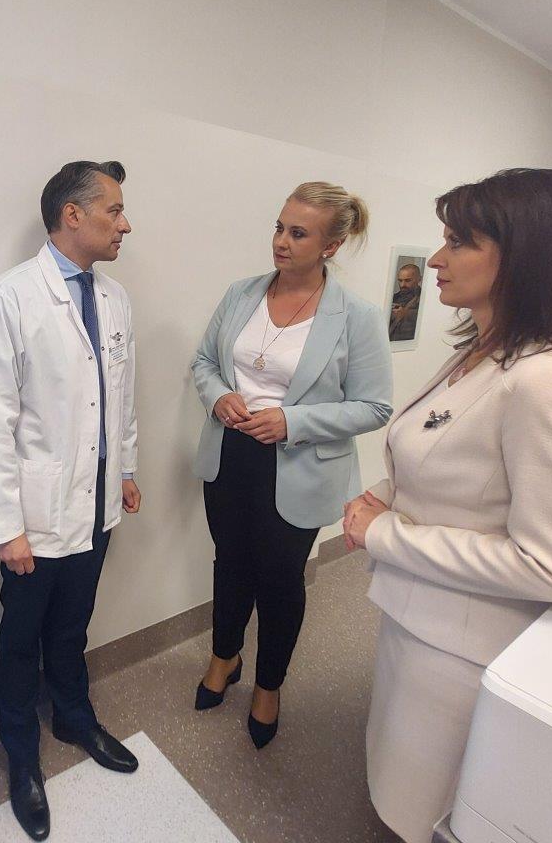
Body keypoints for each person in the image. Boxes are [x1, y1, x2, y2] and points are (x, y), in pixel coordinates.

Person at [342, 168, 552, 843]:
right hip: (421, 617)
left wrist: (385, 533)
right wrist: (386, 493)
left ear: (528, 255)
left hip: (466, 652)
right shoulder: (486, 351)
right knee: (397, 785)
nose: (435, 260)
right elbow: (455, 459)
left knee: (429, 808)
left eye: (459, 242)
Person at [0, 160, 141, 841]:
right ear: (73, 214)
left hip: (96, 504)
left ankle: (73, 716)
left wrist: (125, 468)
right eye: (113, 210)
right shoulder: (10, 297)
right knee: (21, 640)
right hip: (34, 515)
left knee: (73, 625)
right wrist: (6, 527)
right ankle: (21, 754)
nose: (125, 224)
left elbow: (121, 397)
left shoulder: (116, 299)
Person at [190, 181, 392, 751]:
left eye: (298, 233)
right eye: (279, 227)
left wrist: (292, 421)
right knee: (230, 563)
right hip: (230, 454)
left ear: (332, 245)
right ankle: (224, 657)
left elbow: (375, 406)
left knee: (279, 581)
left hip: (299, 466)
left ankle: (268, 685)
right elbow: (204, 361)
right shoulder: (241, 294)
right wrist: (218, 397)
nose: (281, 241)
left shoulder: (356, 316)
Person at [388, 263, 422, 341]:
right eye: (400, 281)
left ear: (419, 279)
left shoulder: (425, 299)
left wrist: (406, 313)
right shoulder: (393, 298)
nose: (402, 285)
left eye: (408, 280)